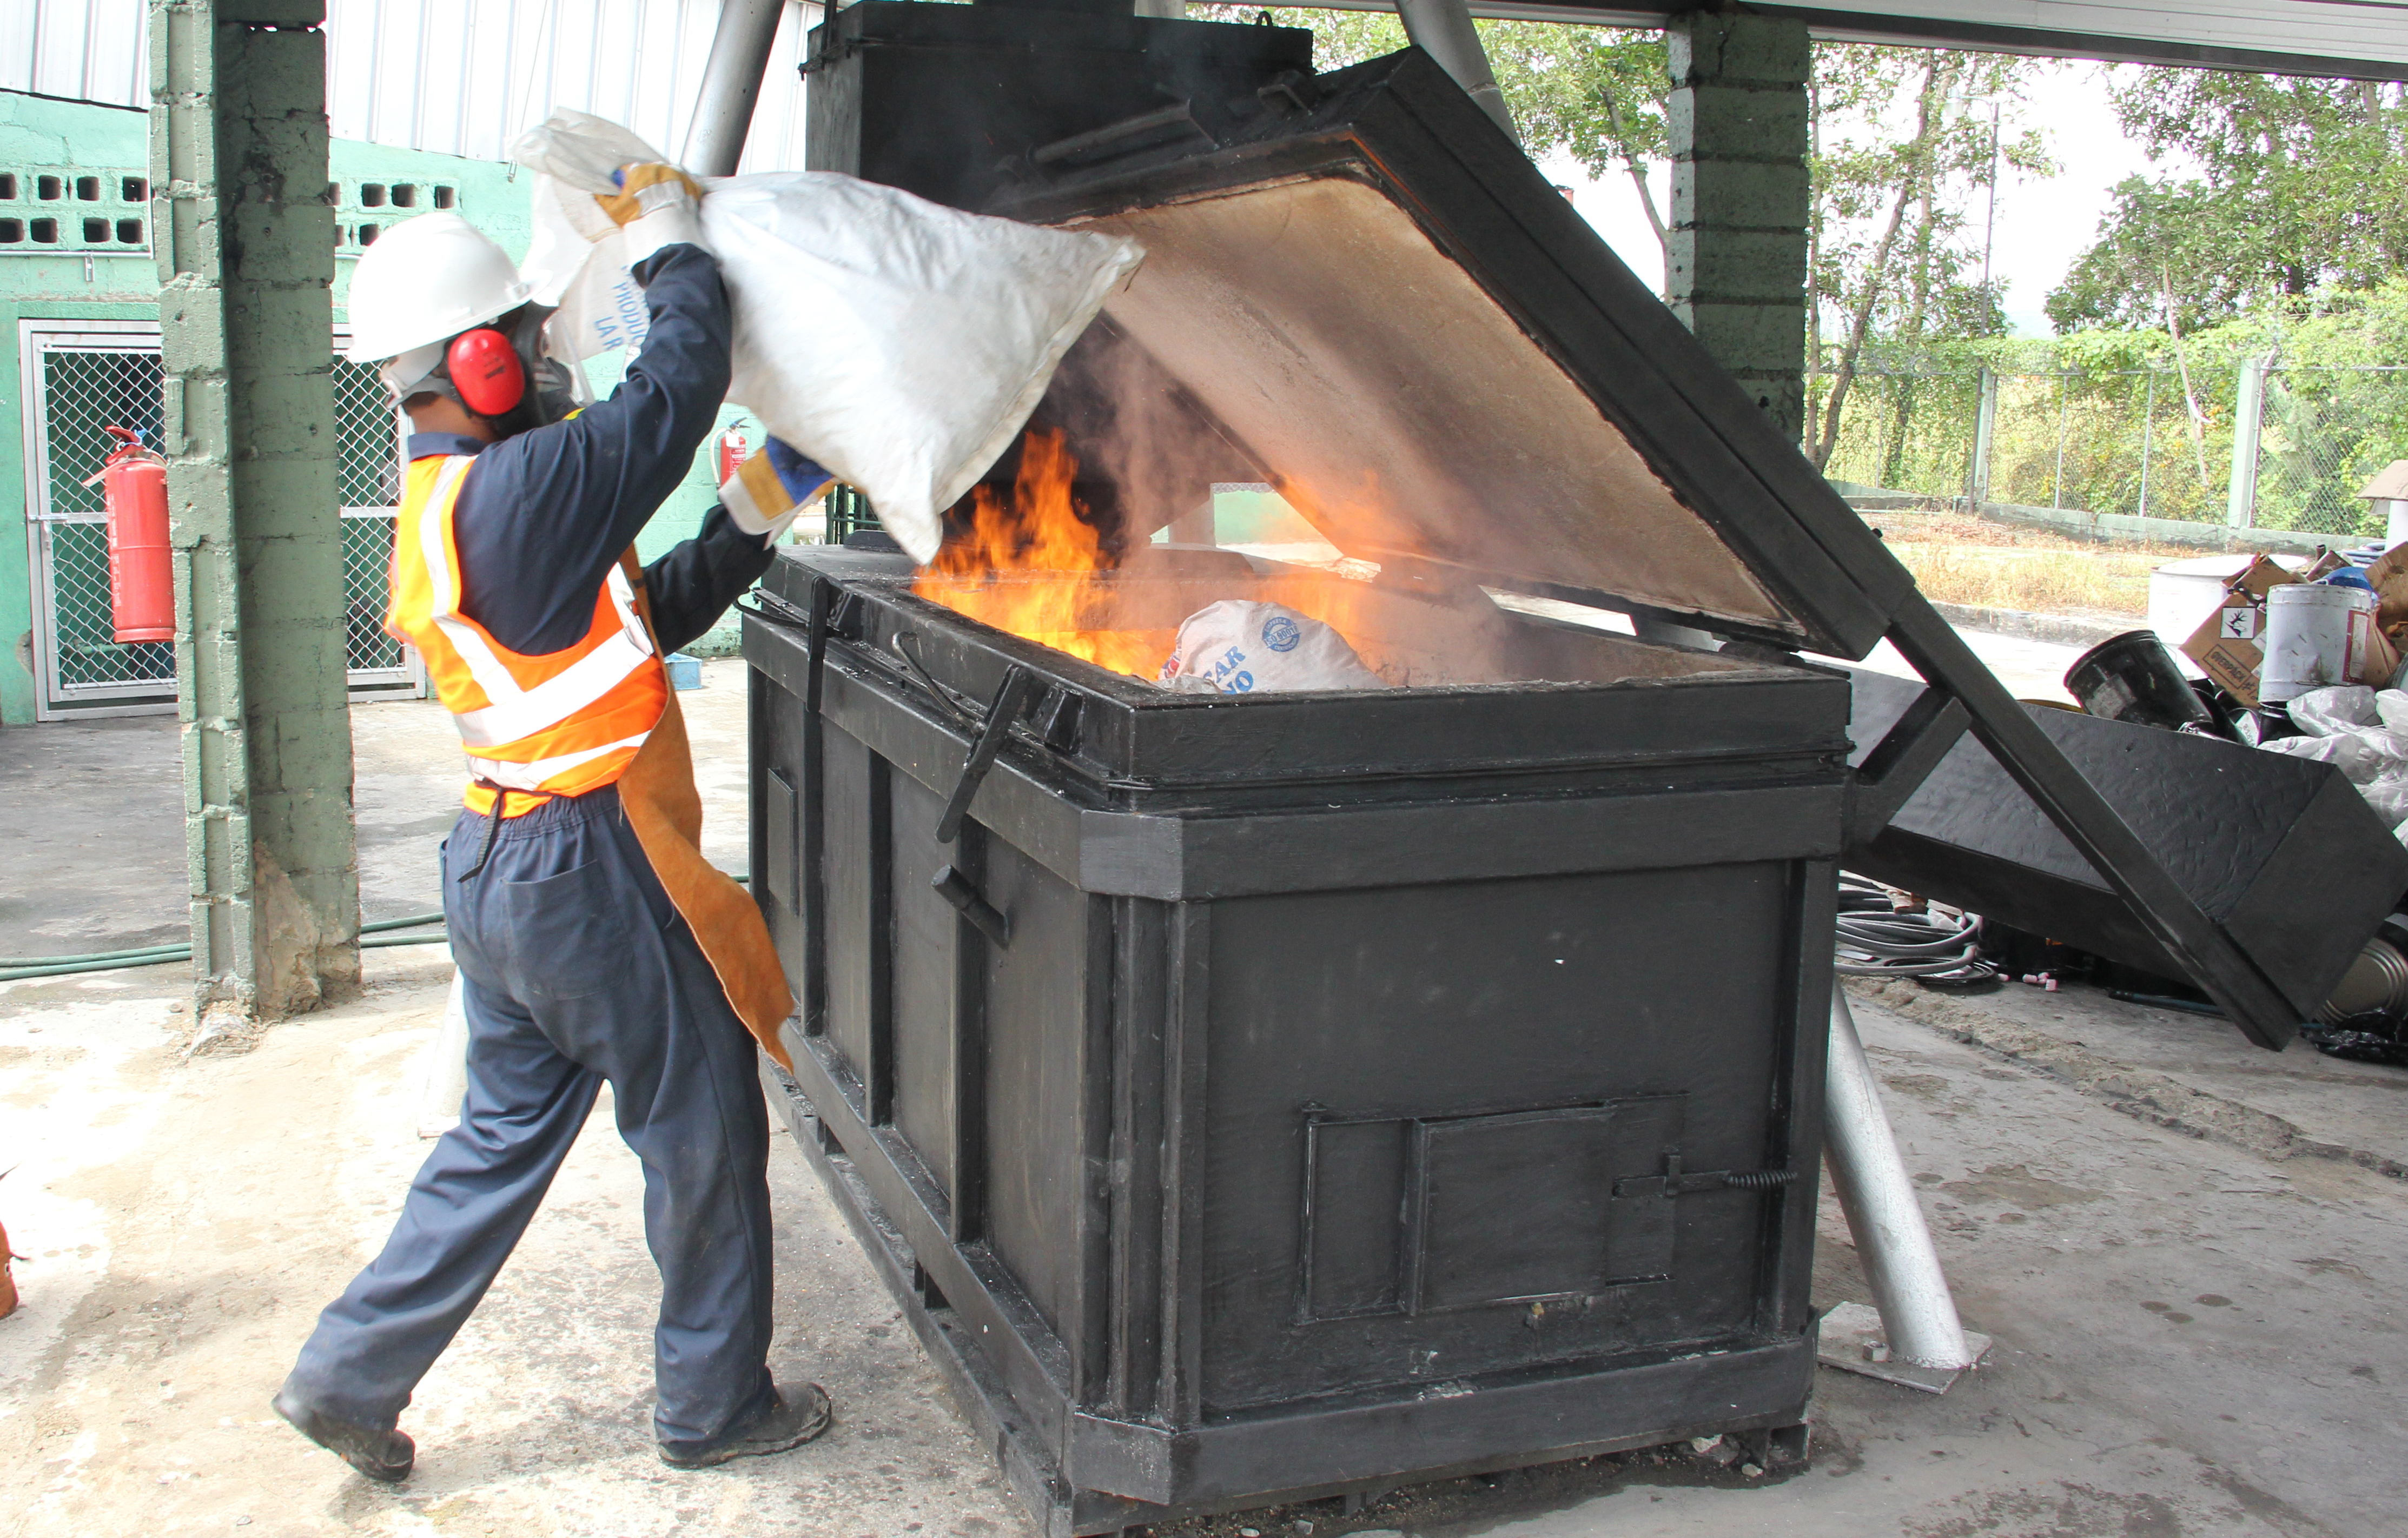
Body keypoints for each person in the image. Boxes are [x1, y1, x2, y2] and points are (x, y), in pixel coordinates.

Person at [273, 165, 834, 1481]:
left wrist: (757, 509)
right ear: (473, 362)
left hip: (501, 866)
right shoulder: (521, 489)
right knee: (702, 1124)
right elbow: (678, 388)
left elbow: (644, 626)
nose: (543, 357)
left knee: (496, 1143)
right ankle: (715, 1407)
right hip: (589, 869)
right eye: (523, 341)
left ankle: (347, 1377)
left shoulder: (466, 503)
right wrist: (666, 239)